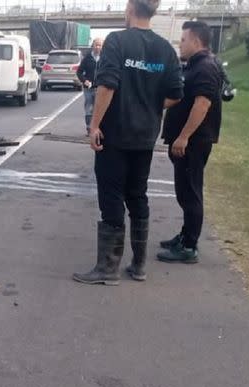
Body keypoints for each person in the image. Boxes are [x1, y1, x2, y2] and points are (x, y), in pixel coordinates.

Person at [73, 0, 183, 285]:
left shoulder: (117, 41)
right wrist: (149, 104)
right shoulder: (165, 49)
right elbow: (175, 94)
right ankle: (138, 265)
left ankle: (108, 269)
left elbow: (107, 85)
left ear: (130, 8)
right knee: (137, 195)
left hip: (116, 135)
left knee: (111, 197)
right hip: (145, 137)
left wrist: (95, 124)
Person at [158, 21, 223, 264]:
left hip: (194, 142)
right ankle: (185, 235)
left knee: (190, 192)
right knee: (184, 192)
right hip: (187, 140)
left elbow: (202, 105)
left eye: (183, 40)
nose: (180, 44)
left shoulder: (205, 67)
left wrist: (184, 136)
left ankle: (189, 246)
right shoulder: (195, 65)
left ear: (196, 41)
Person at [76, 38, 103, 135]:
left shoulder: (105, 58)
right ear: (93, 46)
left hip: (100, 88)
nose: (98, 47)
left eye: (100, 45)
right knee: (89, 108)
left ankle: (97, 128)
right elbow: (79, 72)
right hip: (88, 88)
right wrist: (84, 80)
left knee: (99, 109)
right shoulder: (87, 58)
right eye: (96, 45)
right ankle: (89, 128)